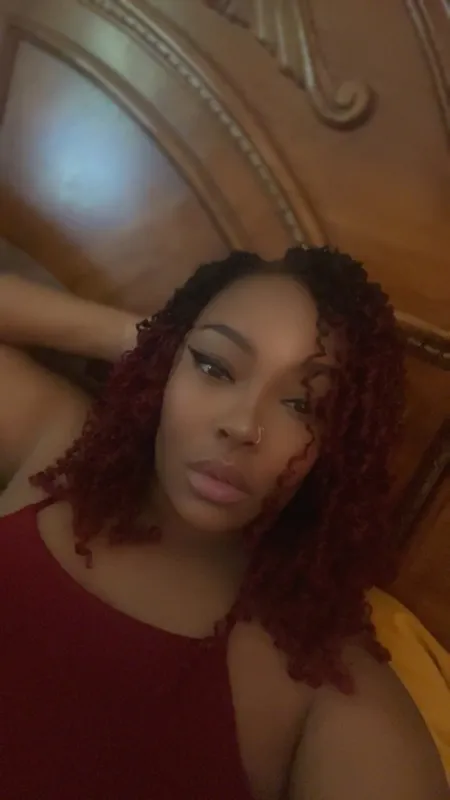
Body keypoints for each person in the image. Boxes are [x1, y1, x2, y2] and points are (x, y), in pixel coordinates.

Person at [0, 247, 448, 800]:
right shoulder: (63, 450)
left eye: (305, 405)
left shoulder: (325, 685)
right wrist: (148, 341)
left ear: (336, 449)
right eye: (214, 366)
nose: (242, 425)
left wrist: (202, 356)